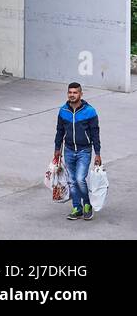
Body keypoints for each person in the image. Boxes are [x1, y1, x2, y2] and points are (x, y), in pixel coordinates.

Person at [53, 82, 102, 220]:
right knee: (72, 181)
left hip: (84, 151)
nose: (72, 95)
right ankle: (77, 208)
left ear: (81, 94)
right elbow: (59, 131)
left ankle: (87, 204)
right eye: (70, 92)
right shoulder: (63, 111)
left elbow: (95, 133)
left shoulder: (90, 111)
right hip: (68, 150)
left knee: (80, 179)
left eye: (75, 92)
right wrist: (57, 149)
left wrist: (97, 153)